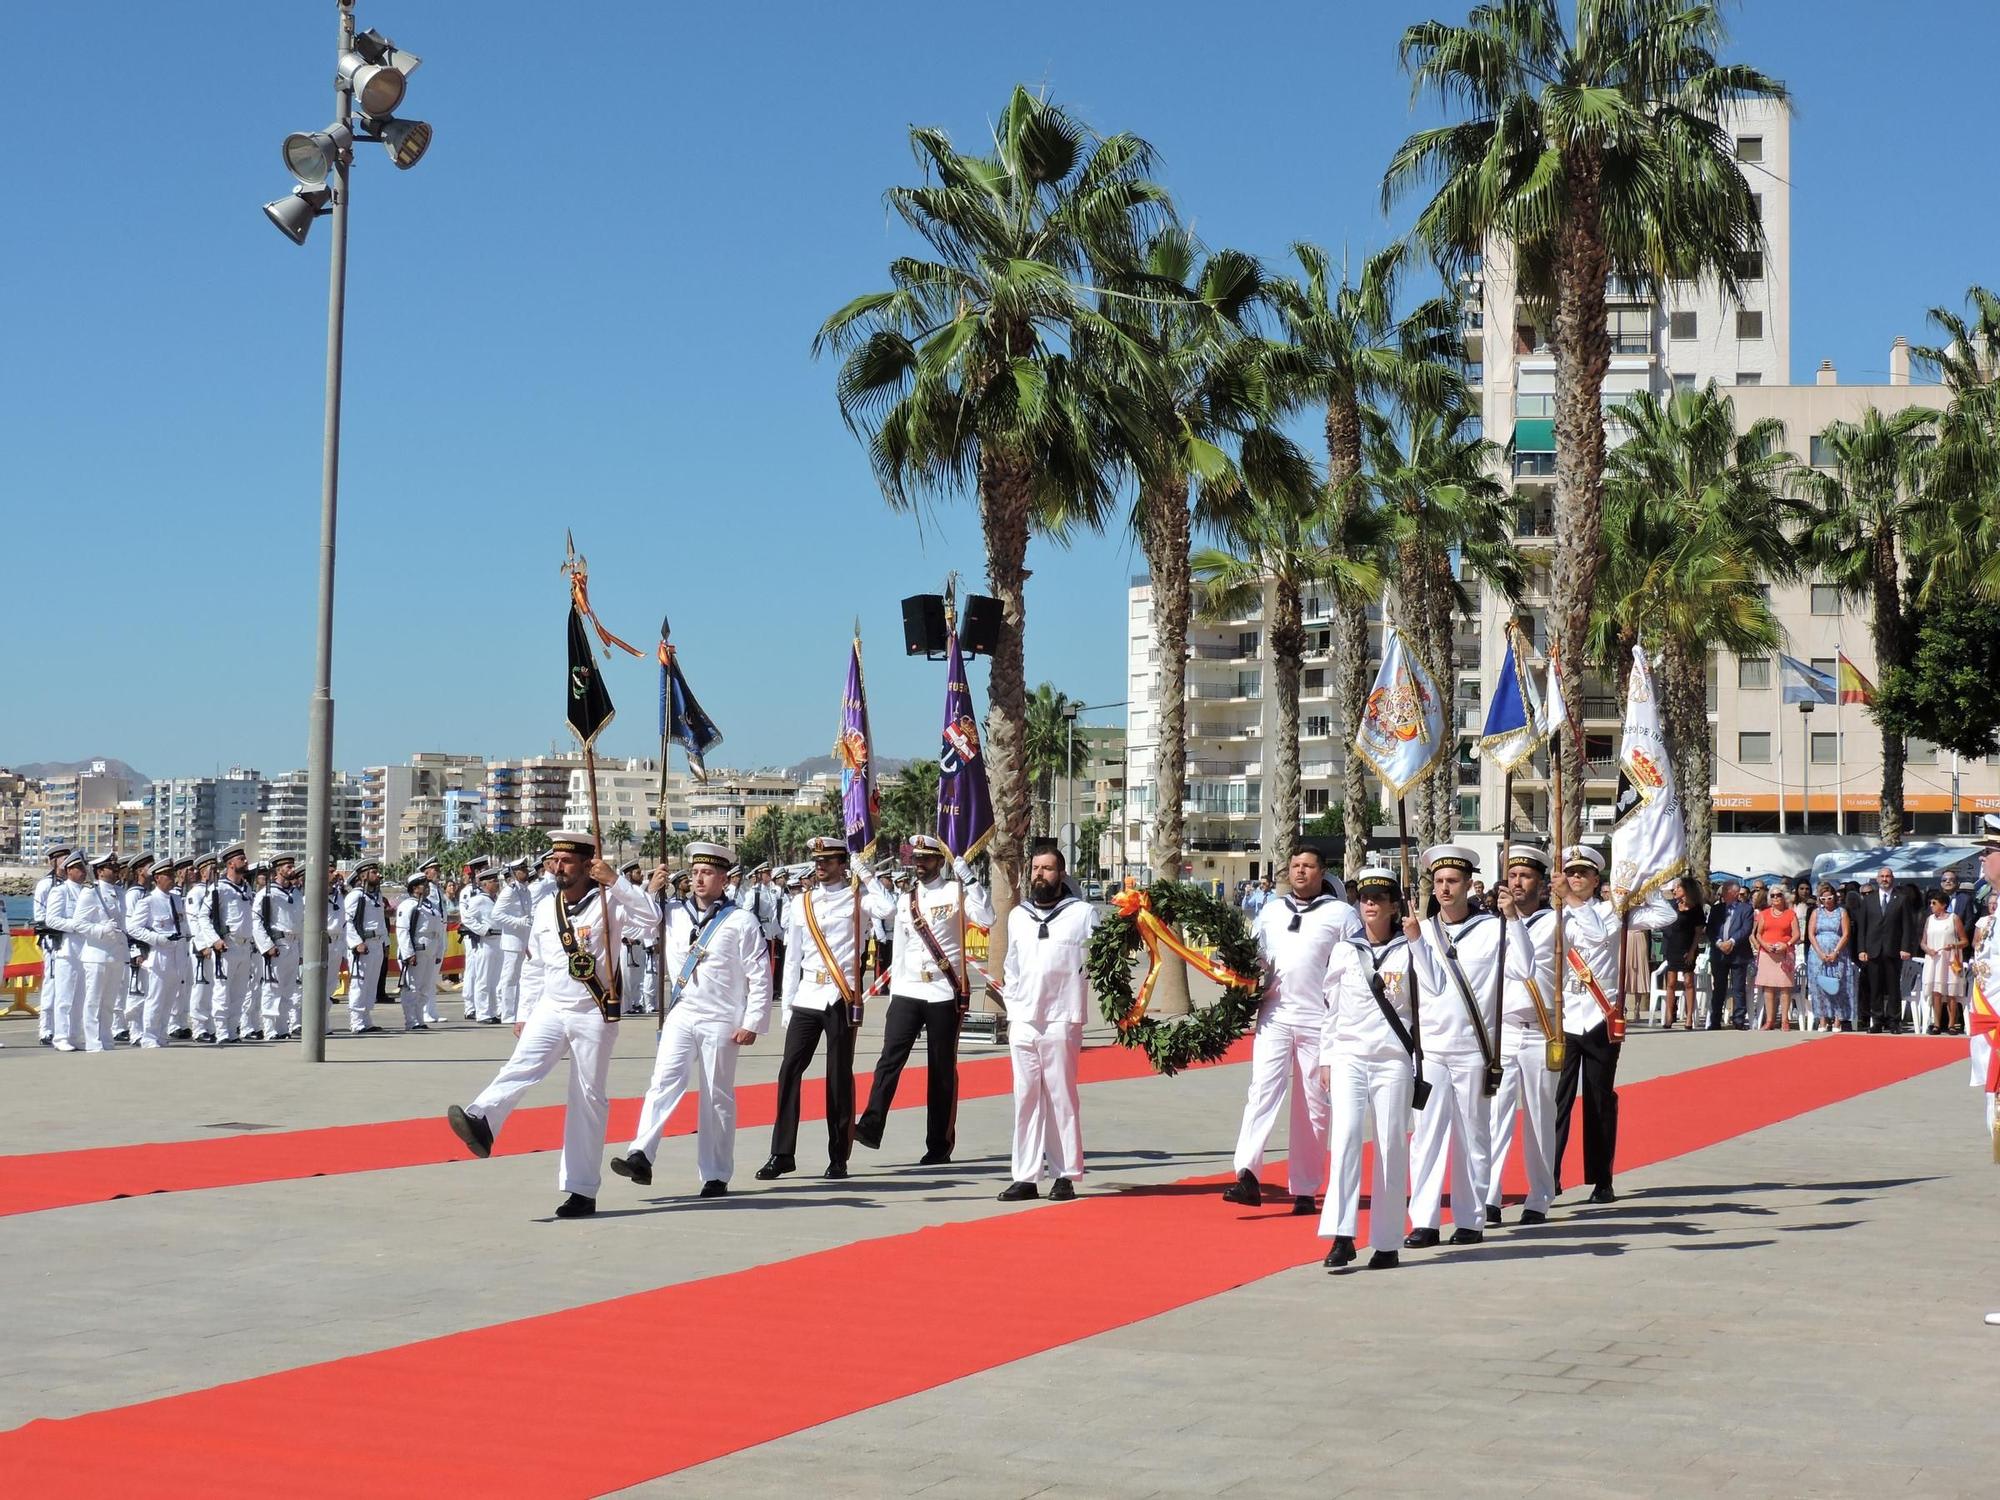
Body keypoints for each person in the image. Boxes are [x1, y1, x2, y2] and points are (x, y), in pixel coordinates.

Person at [446, 830, 659, 1218]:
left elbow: (651, 921)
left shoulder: (611, 902)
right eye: (553, 862)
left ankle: (581, 1189)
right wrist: (524, 1013)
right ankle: (482, 1120)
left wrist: (616, 881)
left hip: (593, 1009)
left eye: (565, 862)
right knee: (521, 1064)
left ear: (586, 865)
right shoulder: (547, 907)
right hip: (552, 1004)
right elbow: (535, 965)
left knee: (587, 1097)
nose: (557, 868)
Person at [611, 842, 767, 1197]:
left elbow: (759, 974)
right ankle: (640, 1154)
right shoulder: (671, 912)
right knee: (663, 1081)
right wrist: (648, 891)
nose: (698, 879)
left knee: (716, 1096)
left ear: (724, 879)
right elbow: (636, 927)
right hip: (682, 1013)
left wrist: (753, 1021)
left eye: (707, 873)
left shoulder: (741, 920)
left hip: (721, 1018)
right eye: (695, 872)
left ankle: (715, 1173)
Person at [1221, 843, 1358, 1212]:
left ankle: (1305, 1188)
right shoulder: (1270, 911)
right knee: (1262, 1092)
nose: (1300, 871)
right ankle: (1246, 1174)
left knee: (1314, 1105)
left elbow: (1355, 970)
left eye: (1308, 866)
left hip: (1320, 1020)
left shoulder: (1342, 915)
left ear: (1322, 872)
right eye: (1295, 865)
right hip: (1275, 1014)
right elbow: (1254, 958)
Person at [1403, 844, 1527, 1248]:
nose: (1444, 889)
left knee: (1474, 1135)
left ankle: (1471, 1218)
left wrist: (1514, 920)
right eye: (1438, 881)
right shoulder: (1419, 929)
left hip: (1474, 1050)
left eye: (1452, 881)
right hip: (1432, 1050)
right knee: (1425, 1138)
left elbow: (1525, 969)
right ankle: (1423, 1220)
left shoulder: (1494, 927)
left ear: (1469, 884)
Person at [759, 836, 894, 1182]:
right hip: (807, 994)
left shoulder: (858, 899)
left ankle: (838, 1156)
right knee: (789, 1070)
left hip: (840, 996)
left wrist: (865, 873)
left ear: (841, 864)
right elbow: (792, 959)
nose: (820, 866)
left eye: (828, 861)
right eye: (817, 861)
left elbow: (888, 909)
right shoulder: (801, 902)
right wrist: (787, 1006)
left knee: (838, 1077)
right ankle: (781, 1153)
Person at [854, 834, 994, 1166]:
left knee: (941, 1068)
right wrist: (894, 996)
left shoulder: (955, 892)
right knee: (889, 1060)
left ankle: (938, 1145)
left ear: (939, 861)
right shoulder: (906, 899)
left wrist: (970, 878)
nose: (919, 864)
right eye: (915, 858)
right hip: (908, 990)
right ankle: (871, 1126)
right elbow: (901, 950)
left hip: (944, 991)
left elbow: (987, 918)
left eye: (926, 858)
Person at [1553, 846, 1676, 1204]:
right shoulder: (1556, 913)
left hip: (1598, 1015)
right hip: (1564, 1016)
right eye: (1571, 872)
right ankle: (1551, 1176)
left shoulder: (1613, 912)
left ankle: (1601, 1179)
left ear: (1596, 881)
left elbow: (1664, 915)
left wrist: (1642, 880)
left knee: (1599, 1100)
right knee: (1556, 1102)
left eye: (1583, 874)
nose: (1575, 878)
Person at [1318, 865, 1425, 1271]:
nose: (1370, 904)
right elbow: (1331, 1009)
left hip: (1393, 1059)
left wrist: (1418, 942)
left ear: (1394, 906)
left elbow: (1430, 992)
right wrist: (1326, 1057)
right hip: (1349, 1056)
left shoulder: (1409, 948)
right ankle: (1343, 1236)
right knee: (1344, 1140)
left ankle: (1386, 1240)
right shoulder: (1347, 949)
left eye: (1379, 898)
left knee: (1390, 1145)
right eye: (1364, 898)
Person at [997, 843, 1098, 1201]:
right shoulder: (1018, 916)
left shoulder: (1083, 914)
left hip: (1061, 1018)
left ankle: (1065, 1173)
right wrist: (1013, 1003)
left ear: (1061, 874)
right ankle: (1025, 1176)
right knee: (1025, 1098)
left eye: (1048, 868)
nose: (1040, 874)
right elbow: (1011, 965)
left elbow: (1100, 962)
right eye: (1036, 868)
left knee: (1061, 1098)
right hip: (1024, 1020)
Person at [1485, 846, 1561, 1227]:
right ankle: (1489, 1195)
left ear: (1541, 884)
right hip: (1503, 1031)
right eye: (1512, 875)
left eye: (1525, 876)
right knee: (1495, 1116)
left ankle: (1539, 1196)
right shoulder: (1491, 922)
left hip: (1540, 1029)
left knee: (1538, 1118)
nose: (1517, 882)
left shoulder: (1555, 921)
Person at [51, 852, 128, 1052]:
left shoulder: (118, 892)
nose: (116, 870)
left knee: (104, 1000)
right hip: (85, 951)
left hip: (112, 952)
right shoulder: (87, 892)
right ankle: (80, 1040)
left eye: (116, 867)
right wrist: (100, 930)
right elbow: (75, 922)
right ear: (100, 871)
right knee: (80, 999)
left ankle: (98, 1038)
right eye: (111, 868)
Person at [251, 855, 302, 1041]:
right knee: (272, 988)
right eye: (288, 866)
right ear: (278, 870)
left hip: (294, 944)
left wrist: (302, 949)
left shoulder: (296, 893)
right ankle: (270, 1029)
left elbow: (300, 923)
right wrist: (267, 946)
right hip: (277, 944)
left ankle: (282, 1028)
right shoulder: (267, 893)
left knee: (288, 989)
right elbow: (257, 921)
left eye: (292, 866)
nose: (292, 869)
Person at [1855, 867, 1906, 1034]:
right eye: (1882, 876)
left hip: (1893, 949)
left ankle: (1894, 1021)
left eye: (1888, 876)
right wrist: (1861, 948)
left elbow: (1907, 927)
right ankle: (1876, 1020)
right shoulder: (1868, 900)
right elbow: (1862, 926)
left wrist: (1905, 948)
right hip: (1873, 949)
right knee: (1875, 987)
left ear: (1893, 878)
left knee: (1893, 988)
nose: (1885, 879)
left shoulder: (1902, 899)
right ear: (1877, 879)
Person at [31, 844, 73, 1046]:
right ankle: (46, 1028)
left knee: (68, 986)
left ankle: (63, 1028)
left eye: (68, 857)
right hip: (53, 940)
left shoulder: (72, 884)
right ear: (53, 861)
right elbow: (40, 917)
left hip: (71, 940)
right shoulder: (46, 885)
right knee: (51, 984)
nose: (66, 861)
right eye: (62, 858)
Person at [343, 861, 388, 1034]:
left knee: (371, 984)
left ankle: (366, 1019)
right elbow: (347, 922)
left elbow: (380, 922)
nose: (378, 875)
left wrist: (385, 943)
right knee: (359, 984)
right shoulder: (355, 896)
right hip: (363, 945)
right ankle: (356, 1021)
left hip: (376, 944)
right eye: (374, 872)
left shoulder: (375, 896)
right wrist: (356, 943)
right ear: (363, 876)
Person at [489, 857, 534, 1024]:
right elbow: (496, 914)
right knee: (509, 978)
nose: (526, 871)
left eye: (526, 868)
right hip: (512, 940)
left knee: (519, 978)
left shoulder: (525, 891)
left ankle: (516, 1011)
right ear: (515, 873)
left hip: (523, 940)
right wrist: (517, 922)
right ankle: (507, 1013)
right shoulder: (509, 891)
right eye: (522, 869)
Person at [1805, 884, 1855, 1033]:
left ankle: (1838, 1021)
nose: (1827, 901)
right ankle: (1822, 1020)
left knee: (1838, 986)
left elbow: (1846, 934)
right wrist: (1819, 952)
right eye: (1824, 898)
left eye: (1830, 897)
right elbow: (1811, 934)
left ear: (1835, 897)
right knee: (1820, 987)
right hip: (1818, 954)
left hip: (1837, 953)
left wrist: (1836, 951)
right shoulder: (1816, 913)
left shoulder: (1842, 912)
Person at [394, 871, 440, 1032]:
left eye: (427, 884)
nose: (426, 887)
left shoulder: (430, 905)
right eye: (423, 885)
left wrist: (438, 952)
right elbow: (403, 931)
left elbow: (438, 930)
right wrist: (408, 953)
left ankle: (419, 1018)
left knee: (425, 987)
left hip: (430, 949)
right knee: (412, 987)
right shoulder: (408, 905)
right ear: (414, 888)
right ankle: (411, 1020)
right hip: (417, 949)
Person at [1919, 889, 1967, 1037]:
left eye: (1934, 903)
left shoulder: (1954, 918)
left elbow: (1964, 940)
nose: (1931, 905)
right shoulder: (1929, 919)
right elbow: (1923, 942)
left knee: (1951, 993)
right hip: (1934, 960)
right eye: (1930, 903)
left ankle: (1952, 1024)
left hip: (1950, 959)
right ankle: (1937, 1024)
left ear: (1943, 905)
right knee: (1937, 992)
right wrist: (1928, 950)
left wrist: (1953, 946)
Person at [1660, 876, 1705, 1030]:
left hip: (1688, 947)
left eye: (1679, 888)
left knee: (1688, 982)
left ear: (1687, 889)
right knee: (1671, 982)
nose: (1675, 890)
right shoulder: (1672, 906)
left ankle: (1689, 1018)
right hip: (1672, 946)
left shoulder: (1696, 909)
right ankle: (1668, 1016)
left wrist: (1692, 951)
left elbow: (1698, 933)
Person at [1707, 880, 1754, 1029]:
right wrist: (1720, 943)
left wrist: (1732, 942)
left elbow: (1746, 929)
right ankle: (1715, 1020)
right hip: (1719, 953)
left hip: (1738, 953)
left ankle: (1739, 1020)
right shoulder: (1716, 909)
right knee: (1719, 987)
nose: (1722, 893)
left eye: (1725, 890)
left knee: (1738, 988)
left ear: (1734, 893)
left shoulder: (1746, 909)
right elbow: (1711, 929)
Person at [1752, 885, 1799, 1031]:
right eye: (1772, 896)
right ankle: (1770, 1020)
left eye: (1778, 895)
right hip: (1767, 953)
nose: (1775, 898)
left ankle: (1785, 1020)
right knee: (1768, 987)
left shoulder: (1790, 914)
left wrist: (1787, 944)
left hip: (1785, 953)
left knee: (1785, 987)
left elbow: (1796, 934)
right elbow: (1757, 934)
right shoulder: (1764, 914)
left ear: (1783, 897)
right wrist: (1764, 945)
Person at [1938, 868, 1978, 1034]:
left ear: (1957, 883)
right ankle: (1940, 1022)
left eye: (1951, 880)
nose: (1948, 882)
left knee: (1955, 986)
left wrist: (1956, 939)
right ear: (1940, 883)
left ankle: (1956, 1022)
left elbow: (1969, 922)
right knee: (1940, 985)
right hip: (1940, 949)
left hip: (1958, 949)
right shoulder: (1936, 899)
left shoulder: (1964, 899)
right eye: (1945, 880)